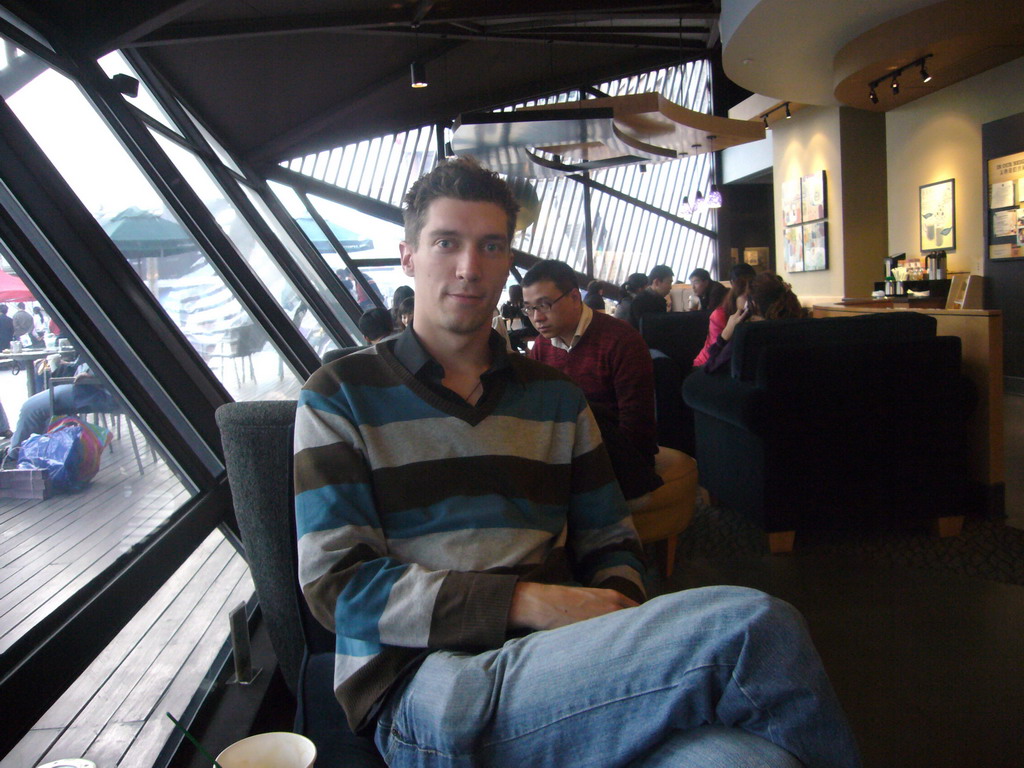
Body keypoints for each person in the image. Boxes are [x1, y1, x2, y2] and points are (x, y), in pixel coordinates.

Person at [294, 157, 860, 768]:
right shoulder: (339, 395)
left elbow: (611, 542)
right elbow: (337, 584)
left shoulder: (555, 399)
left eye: (490, 246)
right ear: (408, 256)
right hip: (424, 686)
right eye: (446, 243)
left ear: (509, 261)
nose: (469, 267)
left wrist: (607, 615)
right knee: (756, 628)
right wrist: (526, 601)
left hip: (569, 670)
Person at [523, 259, 661, 500]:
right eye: (529, 308)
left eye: (544, 305)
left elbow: (636, 426)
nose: (537, 318)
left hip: (619, 456)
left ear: (575, 297)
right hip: (565, 452)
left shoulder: (621, 341)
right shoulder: (542, 347)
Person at [5, 357, 116, 462]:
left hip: (93, 390)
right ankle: (25, 452)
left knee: (31, 407)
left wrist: (91, 373)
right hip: (88, 385)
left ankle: (14, 456)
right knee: (39, 405)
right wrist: (65, 365)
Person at [704, 271, 804, 374]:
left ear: (752, 305)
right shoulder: (804, 327)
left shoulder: (750, 334)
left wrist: (725, 335)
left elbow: (711, 367)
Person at [694, 262, 756, 368]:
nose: (751, 302)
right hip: (706, 365)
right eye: (747, 297)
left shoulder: (757, 311)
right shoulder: (720, 315)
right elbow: (716, 356)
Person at [627, 264, 674, 329]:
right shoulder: (641, 301)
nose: (670, 287)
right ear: (657, 282)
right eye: (669, 282)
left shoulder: (654, 299)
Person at [499, 283, 537, 352]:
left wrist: (512, 303)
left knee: (510, 336)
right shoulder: (517, 304)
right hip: (527, 328)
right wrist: (509, 302)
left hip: (532, 329)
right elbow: (506, 315)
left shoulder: (524, 304)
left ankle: (526, 351)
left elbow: (518, 314)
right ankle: (522, 351)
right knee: (509, 334)